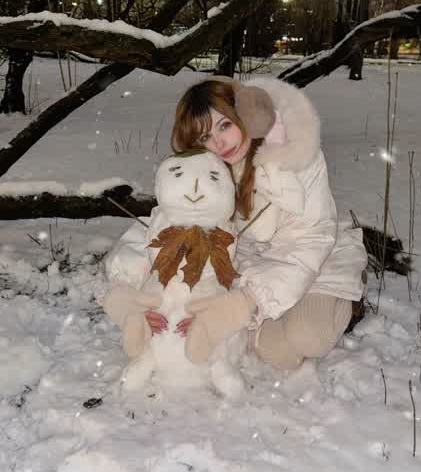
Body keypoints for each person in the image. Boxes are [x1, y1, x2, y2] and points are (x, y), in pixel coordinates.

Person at [103, 75, 368, 371]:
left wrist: (245, 303)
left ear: (245, 115)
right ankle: (268, 320)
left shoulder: (294, 156)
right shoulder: (208, 171)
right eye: (205, 137)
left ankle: (349, 302)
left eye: (224, 125)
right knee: (278, 355)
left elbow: (310, 239)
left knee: (310, 339)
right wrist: (127, 294)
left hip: (318, 258)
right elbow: (164, 226)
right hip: (255, 269)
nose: (218, 142)